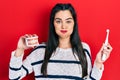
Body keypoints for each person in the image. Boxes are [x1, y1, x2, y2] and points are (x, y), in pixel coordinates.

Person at [9, 3, 113, 80]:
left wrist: (98, 62)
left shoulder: (83, 49)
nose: (63, 26)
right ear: (53, 23)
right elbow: (14, 77)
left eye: (68, 21)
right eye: (58, 21)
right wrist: (20, 49)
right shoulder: (40, 51)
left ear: (74, 23)